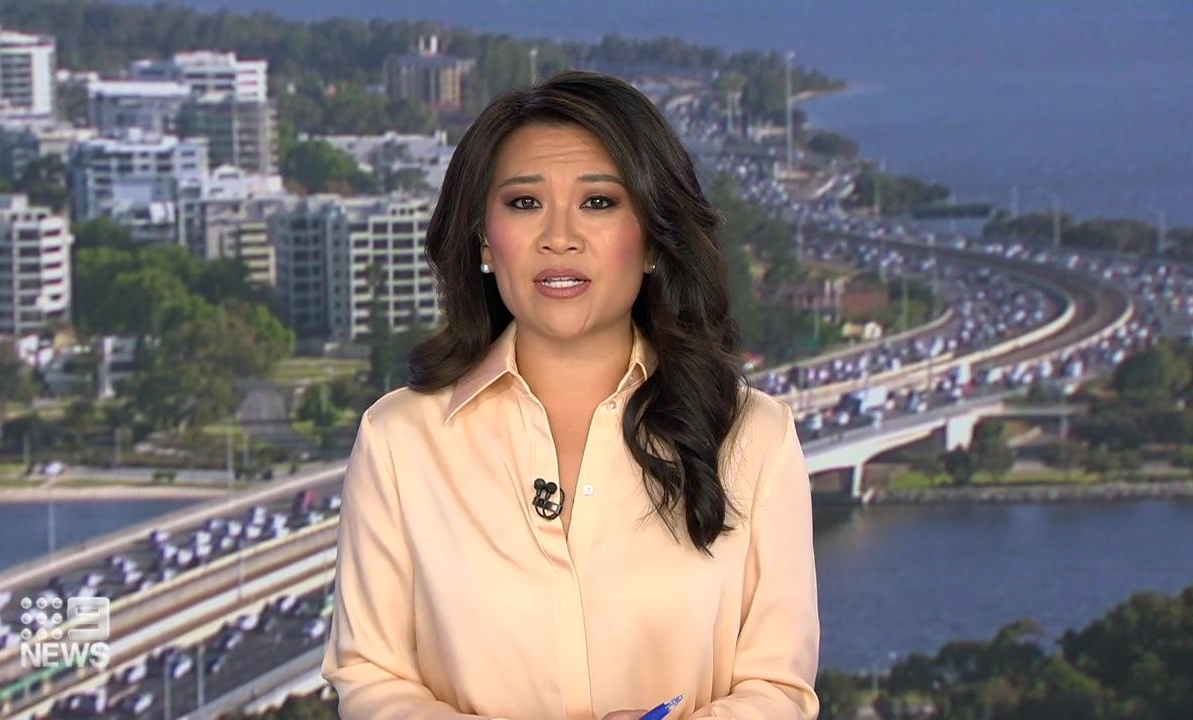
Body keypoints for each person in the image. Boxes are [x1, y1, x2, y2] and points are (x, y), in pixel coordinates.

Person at [321, 70, 819, 720]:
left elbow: (779, 688)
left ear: (652, 239)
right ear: (484, 241)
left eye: (599, 202)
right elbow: (370, 676)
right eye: (525, 203)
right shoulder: (400, 440)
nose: (560, 237)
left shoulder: (753, 436)